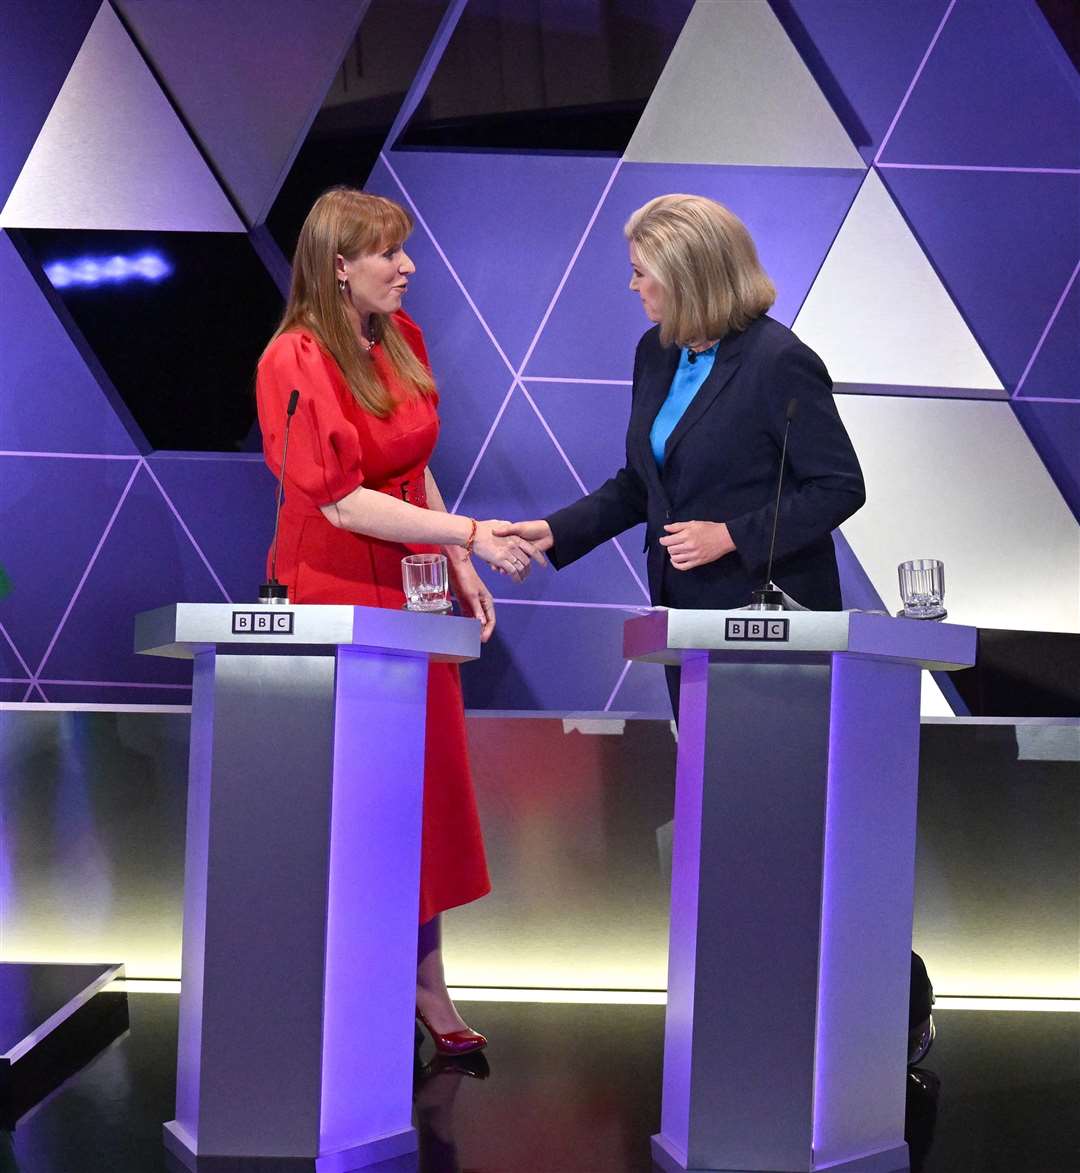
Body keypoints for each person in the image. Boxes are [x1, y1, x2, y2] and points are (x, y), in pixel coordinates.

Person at [255, 186, 543, 1055]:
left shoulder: (402, 341)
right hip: (335, 594)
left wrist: (456, 560)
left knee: (423, 796)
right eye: (389, 253)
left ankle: (426, 983)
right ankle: (353, 985)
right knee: (364, 801)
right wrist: (470, 535)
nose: (408, 266)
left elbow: (413, 474)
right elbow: (342, 503)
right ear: (339, 265)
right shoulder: (293, 359)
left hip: (414, 590)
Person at [498, 193, 865, 710]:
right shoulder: (657, 352)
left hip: (769, 610)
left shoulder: (779, 361)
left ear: (686, 276)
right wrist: (556, 530)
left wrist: (731, 535)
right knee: (702, 774)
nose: (633, 286)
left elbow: (838, 487)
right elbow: (642, 483)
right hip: (683, 609)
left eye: (641, 272)